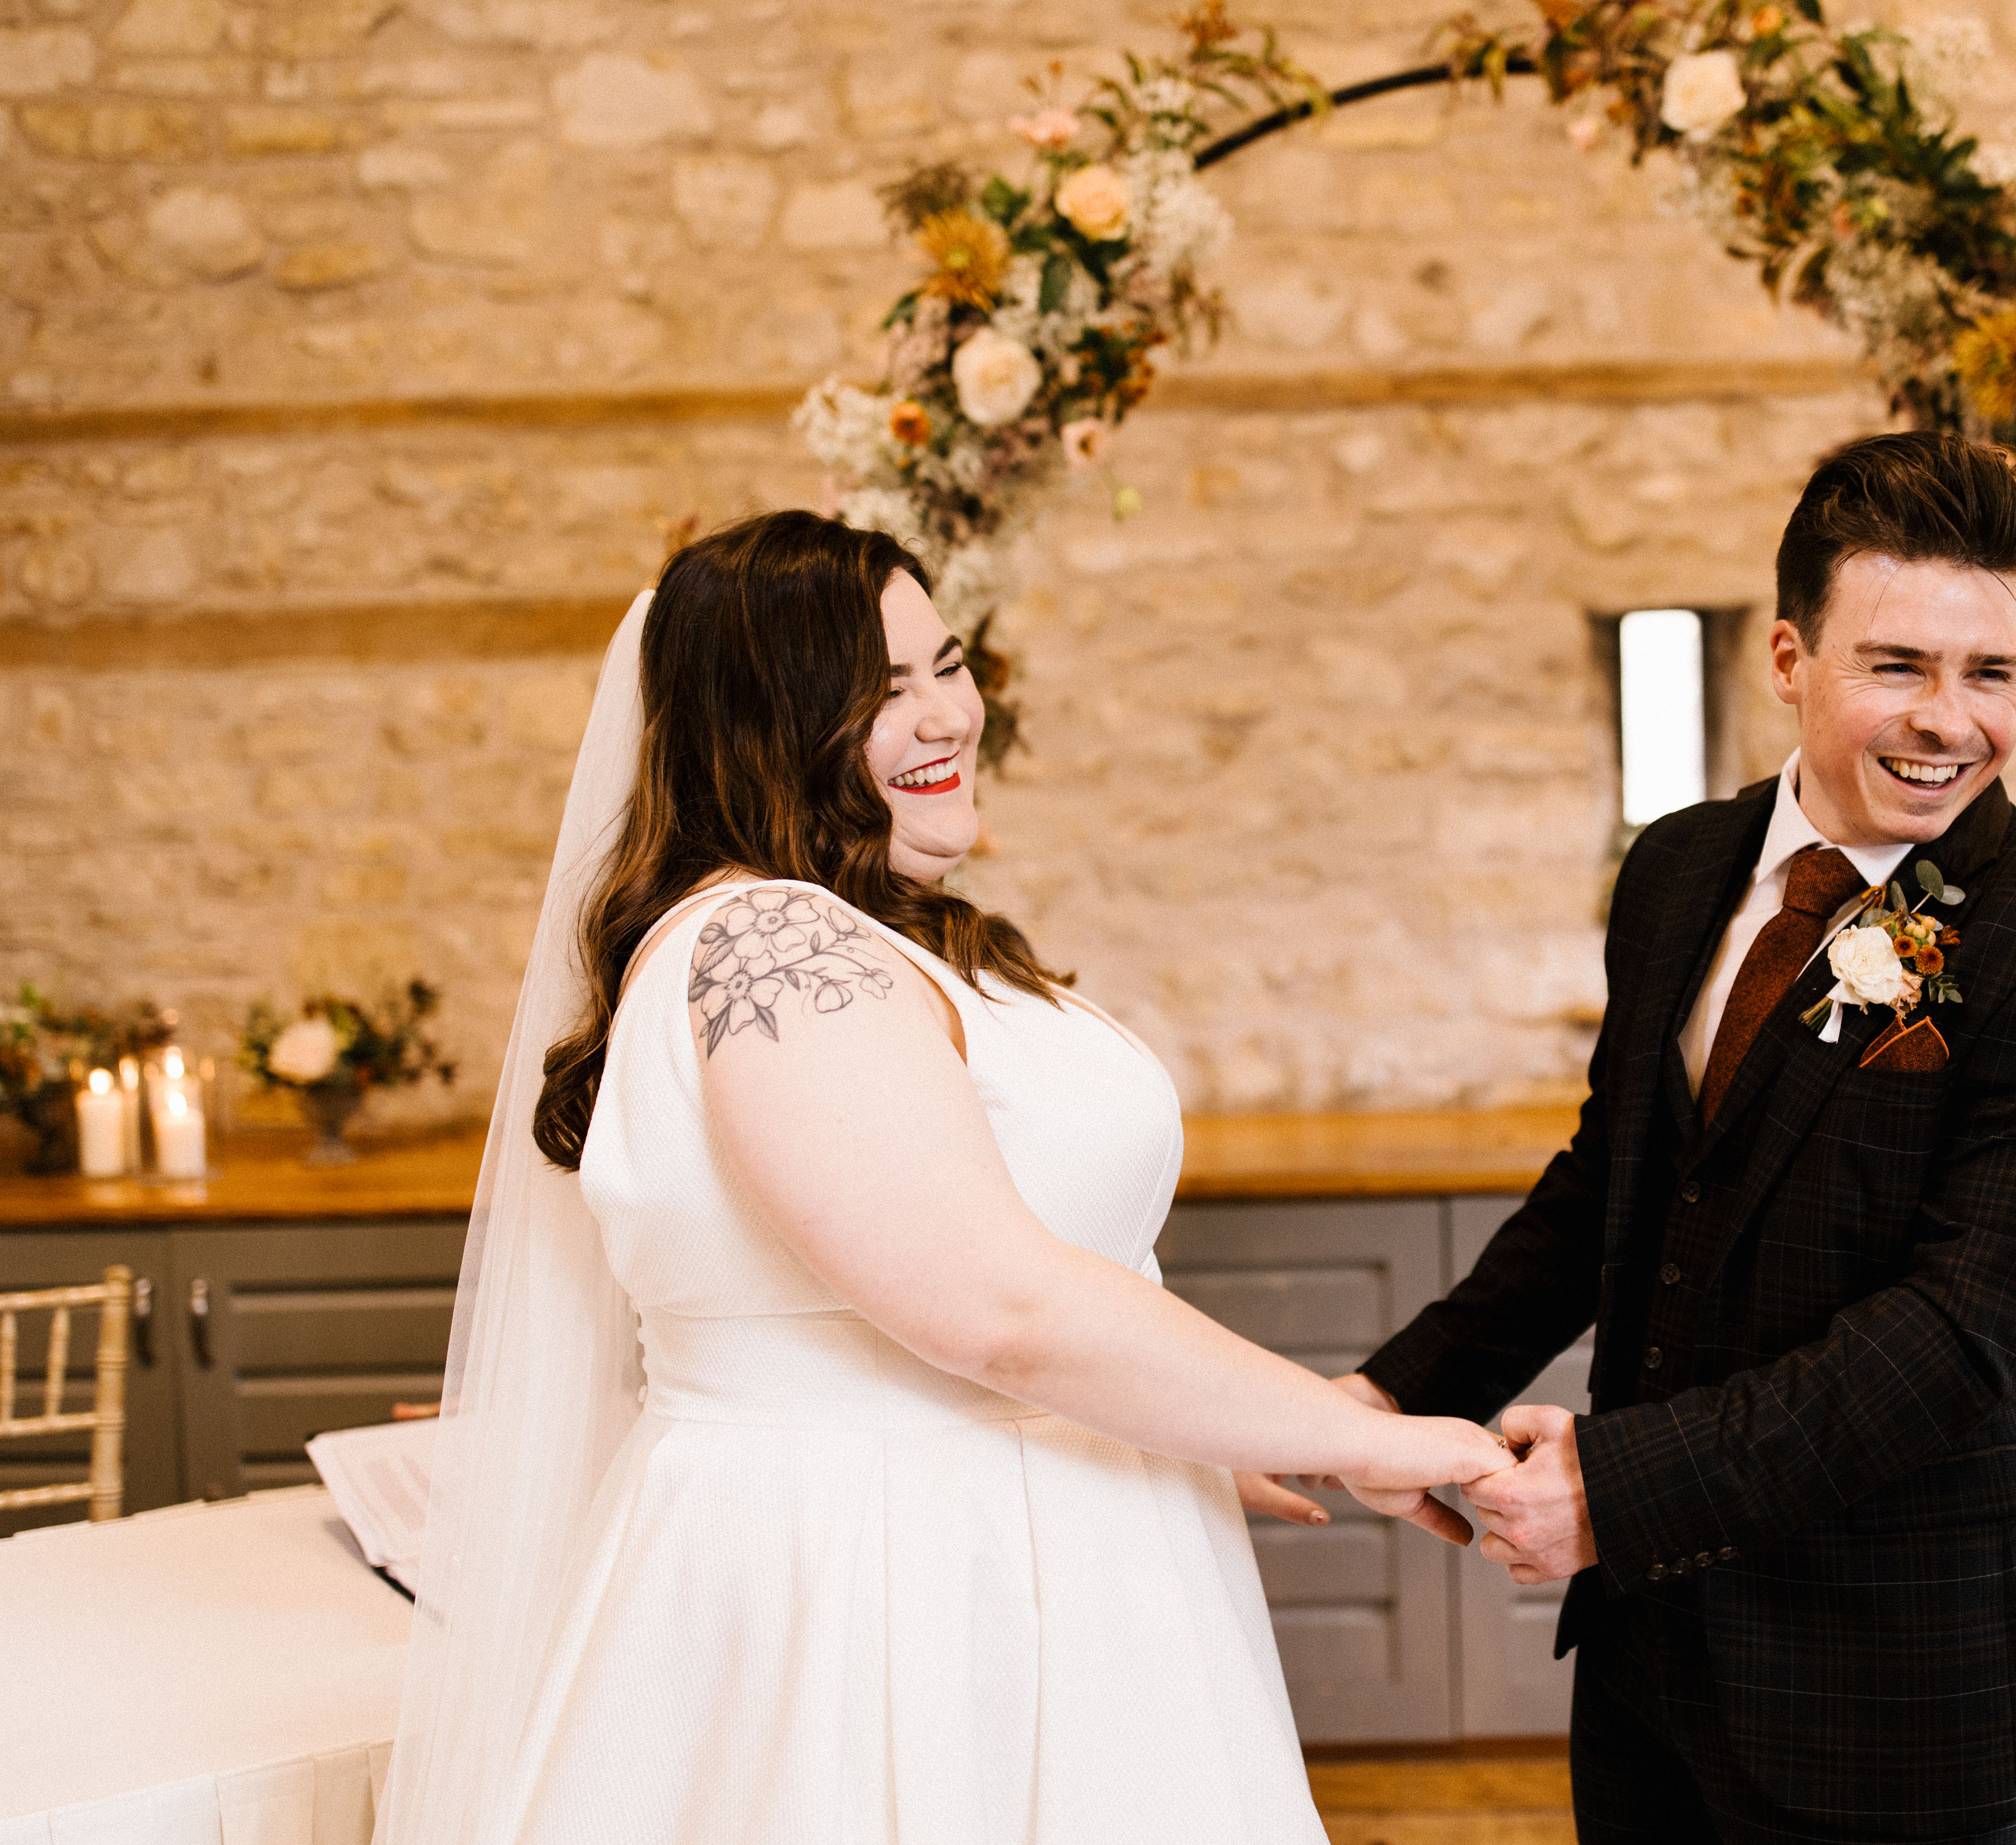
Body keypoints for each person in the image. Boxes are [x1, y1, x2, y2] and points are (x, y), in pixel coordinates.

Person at [382, 510, 1508, 1844]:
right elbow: (995, 1306)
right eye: (880, 692)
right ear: (766, 730)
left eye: (947, 665)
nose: (944, 718)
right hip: (882, 1581)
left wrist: (1204, 1420)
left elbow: (1046, 1276)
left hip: (1036, 1534)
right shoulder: (767, 938)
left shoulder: (881, 936)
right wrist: (1356, 1434)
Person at [1304, 432, 2016, 1843]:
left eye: (1989, 673)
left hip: (1887, 1683)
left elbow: (1961, 1340)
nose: (1948, 721)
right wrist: (1390, 1396)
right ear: (1788, 659)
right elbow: (1612, 1187)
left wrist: (1612, 1489)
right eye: (1897, 666)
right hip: (1650, 1656)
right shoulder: (1678, 869)